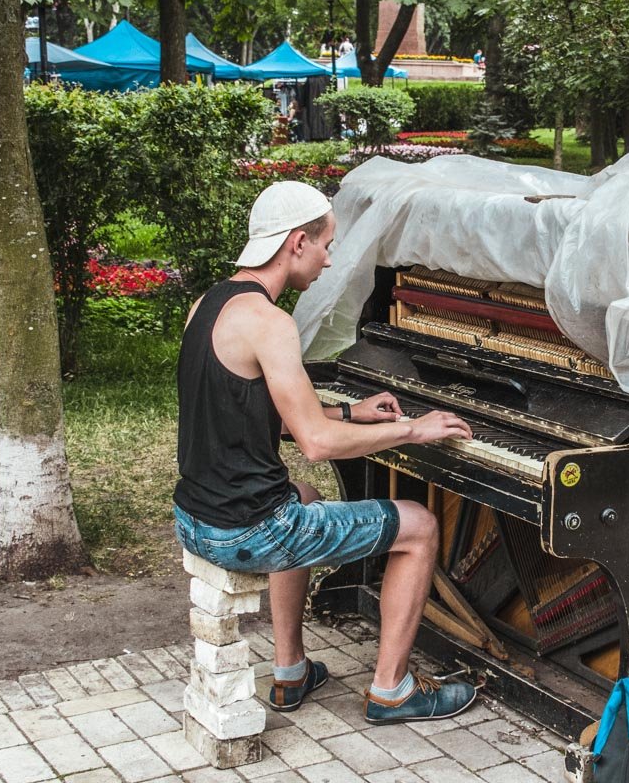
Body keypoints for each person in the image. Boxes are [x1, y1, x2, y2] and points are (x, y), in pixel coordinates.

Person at [173, 181, 479, 725]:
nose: (330, 261)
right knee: (420, 526)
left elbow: (275, 420)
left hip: (196, 518)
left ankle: (291, 671)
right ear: (296, 243)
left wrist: (352, 413)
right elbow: (315, 444)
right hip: (247, 531)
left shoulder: (210, 304)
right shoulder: (272, 324)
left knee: (304, 494)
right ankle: (393, 690)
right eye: (326, 245)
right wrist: (413, 428)